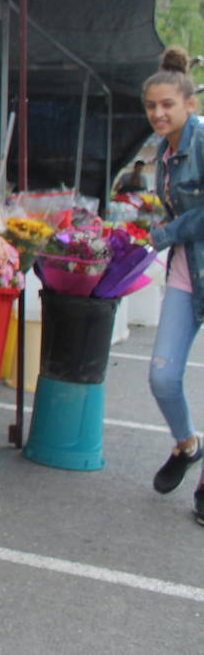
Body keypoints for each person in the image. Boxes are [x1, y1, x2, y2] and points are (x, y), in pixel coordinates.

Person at [143, 46, 204, 524]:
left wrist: (161, 234)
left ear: (190, 104)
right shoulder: (162, 155)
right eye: (151, 106)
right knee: (162, 375)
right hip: (187, 271)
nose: (159, 113)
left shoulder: (202, 141)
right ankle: (186, 446)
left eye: (168, 105)